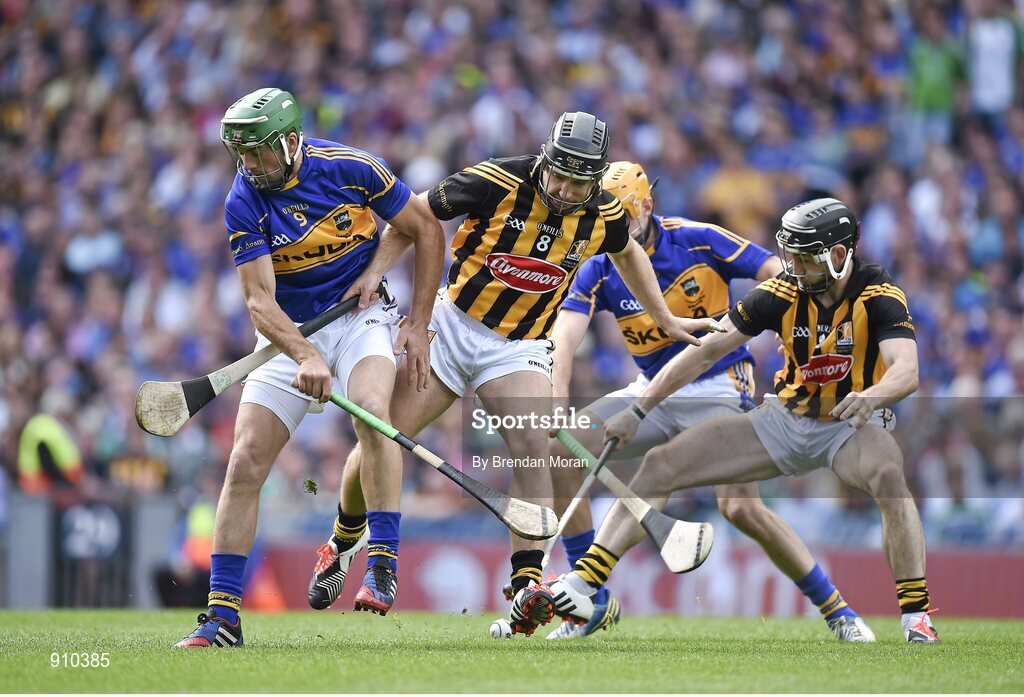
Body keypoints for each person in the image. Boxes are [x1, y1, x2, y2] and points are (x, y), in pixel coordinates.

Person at [307, 112, 722, 635]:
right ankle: (346, 535)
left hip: (520, 346)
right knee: (385, 434)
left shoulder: (603, 210)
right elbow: (412, 217)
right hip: (452, 326)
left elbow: (628, 252)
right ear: (544, 159)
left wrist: (663, 316)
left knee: (532, 445)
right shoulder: (492, 180)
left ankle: (526, 585)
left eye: (579, 182)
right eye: (559, 175)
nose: (567, 190)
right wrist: (375, 272)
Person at [548, 197, 940, 644]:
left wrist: (872, 397)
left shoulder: (879, 295)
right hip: (783, 421)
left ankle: (915, 617)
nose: (791, 267)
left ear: (837, 255)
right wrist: (638, 410)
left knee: (890, 477)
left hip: (850, 426)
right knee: (660, 464)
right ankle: (584, 584)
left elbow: (907, 370)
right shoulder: (780, 293)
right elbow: (706, 351)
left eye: (803, 258)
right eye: (789, 255)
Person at [174, 88, 445, 648]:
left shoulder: (352, 169)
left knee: (373, 415)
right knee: (244, 461)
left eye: (261, 153)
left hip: (361, 318)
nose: (251, 166)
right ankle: (222, 617)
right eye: (242, 154)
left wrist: (416, 323)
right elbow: (258, 302)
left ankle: (381, 566)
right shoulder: (242, 200)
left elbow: (425, 229)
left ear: (292, 141)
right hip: (288, 332)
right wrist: (305, 354)